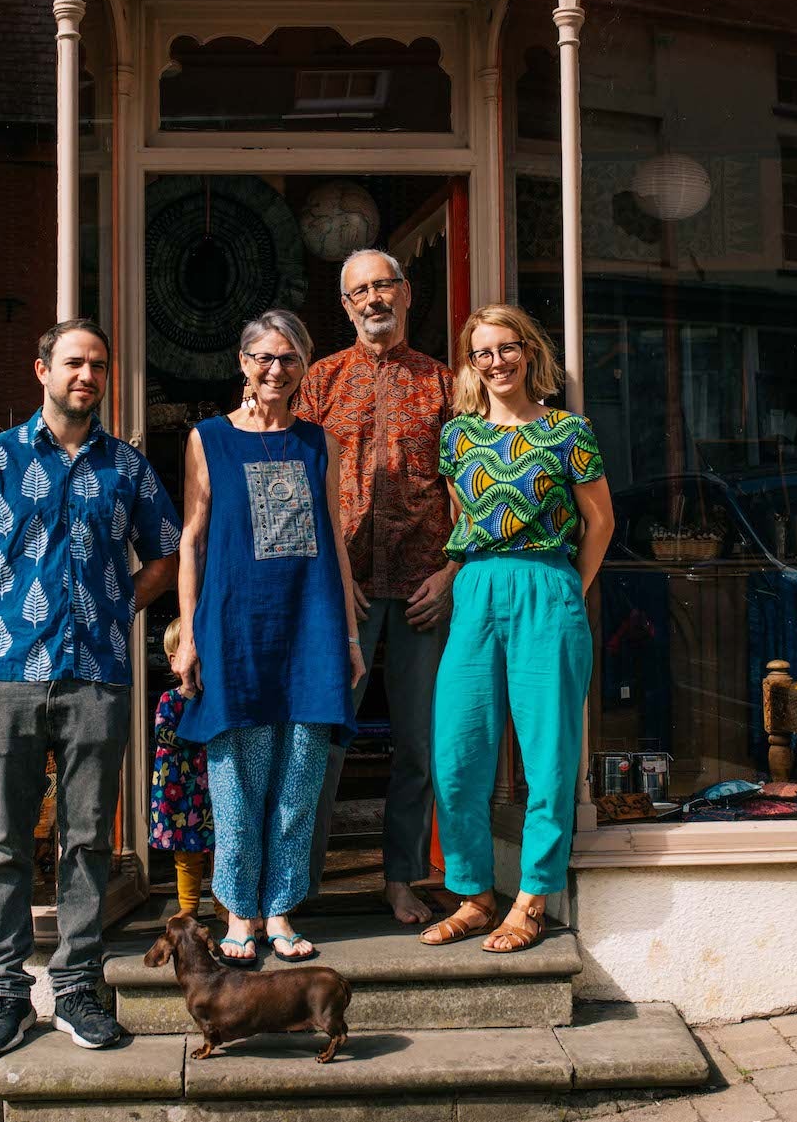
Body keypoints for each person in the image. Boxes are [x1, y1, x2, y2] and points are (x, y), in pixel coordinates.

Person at [0, 318, 180, 1056]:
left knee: (90, 838)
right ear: (41, 371)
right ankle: (5, 991)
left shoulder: (127, 469)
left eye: (98, 365)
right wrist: (8, 608)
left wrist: (114, 606)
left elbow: (164, 555)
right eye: (74, 362)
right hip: (8, 677)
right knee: (5, 843)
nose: (87, 376)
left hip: (98, 676)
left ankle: (75, 985)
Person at [421, 303, 614, 953]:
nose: (496, 361)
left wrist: (567, 590)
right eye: (483, 352)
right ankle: (474, 895)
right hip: (477, 589)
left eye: (507, 347)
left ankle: (531, 898)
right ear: (472, 364)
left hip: (547, 584)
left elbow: (601, 523)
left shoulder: (568, 431)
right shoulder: (458, 438)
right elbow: (465, 517)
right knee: (456, 753)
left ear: (529, 352)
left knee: (549, 756)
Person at [172, 309, 364, 964]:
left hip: (309, 625)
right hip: (235, 629)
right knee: (236, 784)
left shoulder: (320, 442)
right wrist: (192, 636)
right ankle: (238, 912)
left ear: (304, 365)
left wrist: (351, 638)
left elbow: (334, 538)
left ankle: (279, 911)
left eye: (288, 358)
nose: (275, 369)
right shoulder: (208, 440)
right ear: (243, 363)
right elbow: (192, 539)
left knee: (299, 781)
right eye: (264, 357)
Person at [296, 248, 456, 926]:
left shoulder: (448, 385)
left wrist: (453, 571)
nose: (372, 299)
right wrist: (330, 577)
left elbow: (471, 490)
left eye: (382, 285)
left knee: (418, 744)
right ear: (345, 304)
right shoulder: (319, 382)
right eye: (358, 290)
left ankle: (401, 877)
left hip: (425, 587)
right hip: (345, 590)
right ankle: (298, 884)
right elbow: (295, 490)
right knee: (323, 737)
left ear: (406, 293)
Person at [150, 616, 215, 916]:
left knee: (219, 849)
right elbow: (164, 735)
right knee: (186, 852)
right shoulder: (169, 699)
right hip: (178, 788)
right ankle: (187, 908)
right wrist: (195, 728)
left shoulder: (212, 698)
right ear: (175, 660)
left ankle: (224, 906)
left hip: (209, 785)